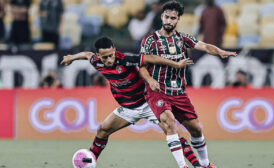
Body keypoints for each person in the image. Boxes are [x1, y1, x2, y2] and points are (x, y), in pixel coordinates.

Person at [60, 37, 199, 168]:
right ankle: (90, 161)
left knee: (171, 130)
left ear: (114, 49)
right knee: (103, 130)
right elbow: (86, 54)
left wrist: (176, 64)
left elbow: (151, 58)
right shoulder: (95, 61)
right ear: (98, 55)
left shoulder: (126, 59)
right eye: (105, 57)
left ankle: (197, 165)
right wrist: (71, 58)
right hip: (128, 108)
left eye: (111, 55)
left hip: (148, 104)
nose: (109, 59)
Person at [140, 1, 237, 168]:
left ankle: (205, 164)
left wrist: (219, 51)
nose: (169, 21)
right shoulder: (150, 41)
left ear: (178, 20)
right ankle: (182, 165)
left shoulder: (182, 39)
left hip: (178, 92)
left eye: (173, 18)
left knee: (197, 129)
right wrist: (150, 80)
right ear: (162, 17)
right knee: (170, 122)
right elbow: (141, 66)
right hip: (158, 91)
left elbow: (204, 46)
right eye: (166, 17)